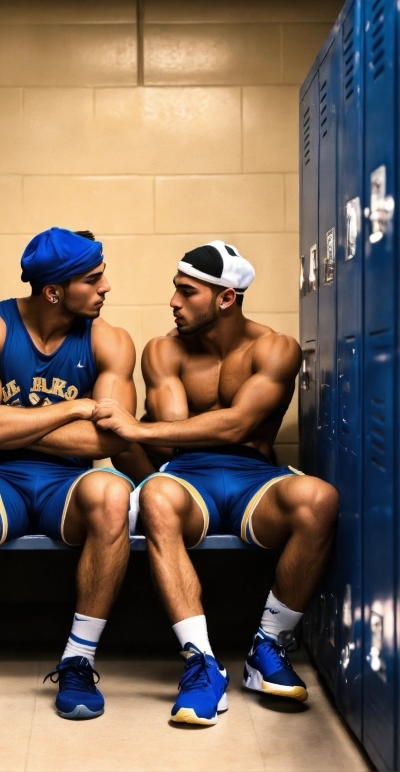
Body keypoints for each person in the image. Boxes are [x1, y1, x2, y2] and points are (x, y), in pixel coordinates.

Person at [92, 240, 339, 726]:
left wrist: (138, 428)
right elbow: (174, 440)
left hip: (254, 478)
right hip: (187, 479)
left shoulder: (276, 348)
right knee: (159, 497)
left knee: (319, 498)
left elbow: (237, 426)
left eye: (187, 293)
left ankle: (268, 646)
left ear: (226, 298)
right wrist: (150, 435)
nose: (173, 302)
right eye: (175, 290)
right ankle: (201, 663)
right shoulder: (164, 350)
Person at [0, 228, 138, 731]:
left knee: (113, 492)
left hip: (68, 487)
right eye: (94, 278)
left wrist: (10, 425)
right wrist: (71, 410)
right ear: (54, 291)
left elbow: (110, 441)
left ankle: (78, 662)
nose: (106, 286)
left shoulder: (110, 340)